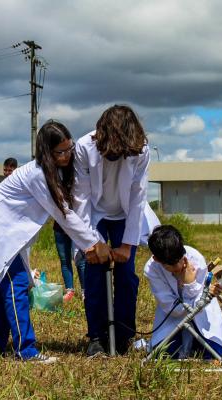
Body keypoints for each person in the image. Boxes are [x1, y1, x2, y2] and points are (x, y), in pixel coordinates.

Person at [0, 120, 112, 363]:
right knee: (15, 286)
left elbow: (71, 208)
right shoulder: (38, 174)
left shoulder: (55, 171)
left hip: (6, 230)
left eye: (69, 149)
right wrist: (93, 244)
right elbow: (63, 213)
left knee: (0, 287)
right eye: (61, 152)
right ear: (47, 152)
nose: (67, 155)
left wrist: (90, 241)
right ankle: (25, 351)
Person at [73, 104, 158, 356]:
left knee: (126, 275)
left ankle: (123, 336)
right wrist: (90, 243)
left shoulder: (141, 149)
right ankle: (97, 336)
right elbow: (81, 198)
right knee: (94, 274)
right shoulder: (83, 146)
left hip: (125, 214)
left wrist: (127, 245)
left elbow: (137, 197)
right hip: (95, 213)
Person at [144, 225, 222, 359]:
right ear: (157, 259)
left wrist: (192, 285)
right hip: (172, 318)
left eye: (180, 259)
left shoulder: (195, 258)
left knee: (215, 352)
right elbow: (173, 308)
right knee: (165, 354)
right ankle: (189, 344)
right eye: (172, 265)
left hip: (201, 315)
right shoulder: (152, 269)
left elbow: (201, 305)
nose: (179, 266)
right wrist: (190, 283)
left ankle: (196, 344)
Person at [53, 221, 86, 302]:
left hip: (76, 228)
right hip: (59, 228)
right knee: (64, 261)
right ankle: (69, 291)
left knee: (80, 261)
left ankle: (85, 291)